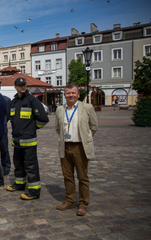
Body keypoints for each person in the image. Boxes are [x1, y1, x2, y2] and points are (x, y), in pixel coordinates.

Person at [55, 84, 98, 216]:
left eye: (73, 93)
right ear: (64, 95)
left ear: (78, 94)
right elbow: (58, 128)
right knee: (67, 176)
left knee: (82, 177)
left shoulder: (87, 108)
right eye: (68, 93)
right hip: (66, 146)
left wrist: (86, 138)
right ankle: (70, 201)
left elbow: (94, 126)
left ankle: (83, 204)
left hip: (80, 147)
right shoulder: (60, 110)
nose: (71, 95)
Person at [6, 77, 49, 200]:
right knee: (18, 164)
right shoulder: (14, 102)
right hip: (17, 141)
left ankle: (34, 191)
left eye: (24, 85)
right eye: (20, 85)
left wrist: (31, 129)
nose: (23, 87)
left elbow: (43, 119)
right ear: (16, 87)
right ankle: (19, 184)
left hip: (29, 142)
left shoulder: (32, 100)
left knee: (31, 166)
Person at [0, 81, 11, 176]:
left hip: (2, 128)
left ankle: (6, 167)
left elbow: (9, 114)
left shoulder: (6, 100)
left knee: (4, 149)